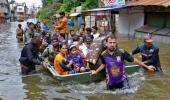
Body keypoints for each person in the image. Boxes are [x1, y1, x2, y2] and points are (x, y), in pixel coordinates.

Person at [91, 35, 155, 90]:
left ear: (116, 43)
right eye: (110, 42)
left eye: (114, 42)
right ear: (107, 43)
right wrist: (96, 72)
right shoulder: (103, 54)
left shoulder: (122, 52)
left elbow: (135, 60)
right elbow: (103, 64)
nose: (112, 44)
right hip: (110, 81)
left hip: (122, 80)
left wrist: (147, 67)